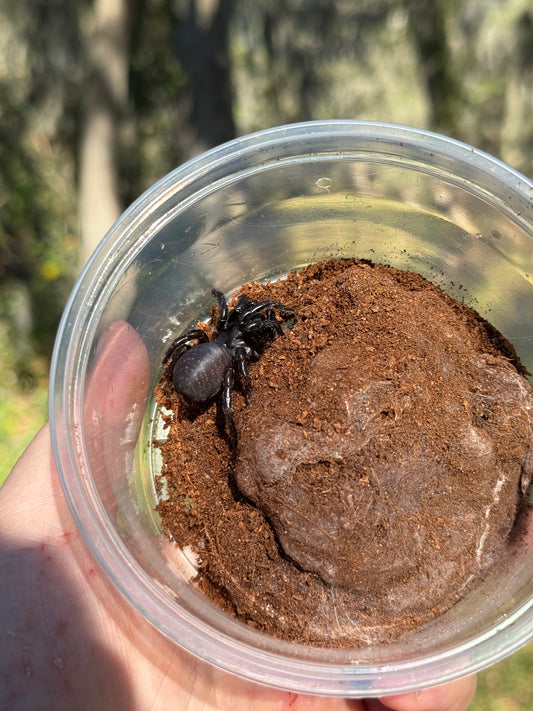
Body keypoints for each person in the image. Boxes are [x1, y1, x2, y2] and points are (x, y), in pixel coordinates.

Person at [0, 321, 477, 710]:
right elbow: (229, 365)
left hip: (205, 363)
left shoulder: (215, 336)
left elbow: (202, 338)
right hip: (207, 370)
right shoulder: (232, 361)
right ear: (227, 331)